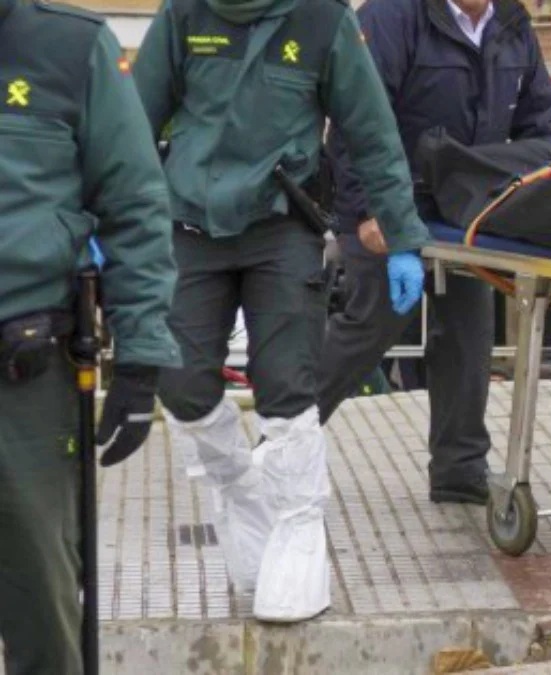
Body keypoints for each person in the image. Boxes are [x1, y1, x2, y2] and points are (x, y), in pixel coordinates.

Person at [132, 0, 430, 623]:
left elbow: (371, 130)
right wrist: (106, 218)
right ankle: (241, 488)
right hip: (189, 223)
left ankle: (298, 526)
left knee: (287, 385)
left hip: (281, 227)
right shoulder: (184, 14)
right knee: (180, 379)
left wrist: (402, 236)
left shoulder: (322, 19)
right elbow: (132, 123)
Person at [316, 0, 551, 505]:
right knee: (368, 326)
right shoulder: (389, 18)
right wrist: (368, 210)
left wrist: (514, 196)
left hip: (467, 210)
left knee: (468, 334)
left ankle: (459, 470)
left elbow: (538, 125)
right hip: (387, 202)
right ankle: (281, 441)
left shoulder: (512, 24)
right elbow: (354, 118)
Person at [0, 1, 179, 672]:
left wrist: (141, 356)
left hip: (22, 382)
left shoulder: (70, 47)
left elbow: (133, 205)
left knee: (41, 598)